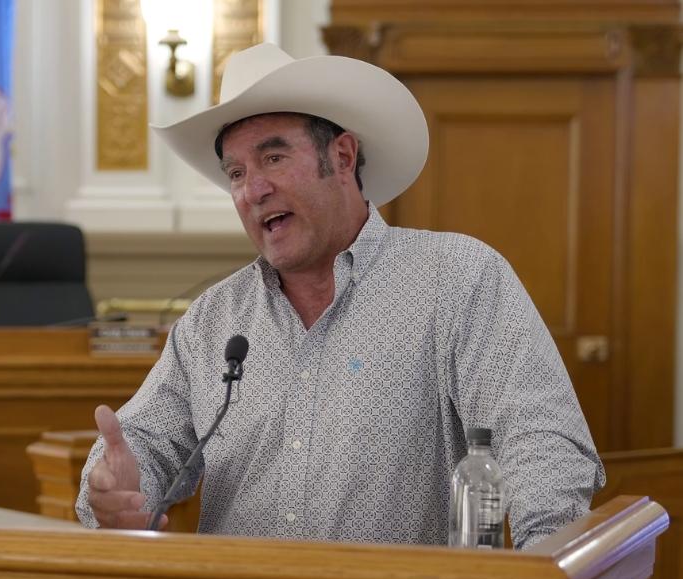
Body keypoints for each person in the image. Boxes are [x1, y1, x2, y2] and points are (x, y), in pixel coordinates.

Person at [76, 43, 605, 549]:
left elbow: (543, 443)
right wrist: (113, 488)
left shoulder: (458, 281)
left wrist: (549, 570)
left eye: (274, 157)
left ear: (344, 156)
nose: (251, 189)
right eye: (236, 172)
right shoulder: (213, 321)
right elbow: (137, 443)